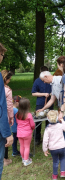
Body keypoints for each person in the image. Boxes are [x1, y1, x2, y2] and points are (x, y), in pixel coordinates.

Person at [0, 43, 13, 179]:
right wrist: (7, 132)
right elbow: (4, 106)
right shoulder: (6, 89)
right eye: (2, 55)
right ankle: (5, 159)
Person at [43, 110, 65, 179]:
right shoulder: (60, 126)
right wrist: (62, 120)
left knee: (55, 161)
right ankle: (63, 172)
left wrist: (45, 149)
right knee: (62, 158)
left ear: (48, 118)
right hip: (61, 147)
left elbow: (45, 140)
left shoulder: (47, 129)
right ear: (57, 118)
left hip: (53, 148)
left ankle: (55, 175)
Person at [32, 66, 53, 145]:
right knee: (38, 121)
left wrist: (51, 94)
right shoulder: (37, 81)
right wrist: (44, 94)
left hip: (50, 102)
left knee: (50, 121)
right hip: (40, 103)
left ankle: (49, 138)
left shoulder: (51, 81)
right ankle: (37, 138)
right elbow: (33, 93)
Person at [16, 98, 35, 166]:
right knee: (27, 147)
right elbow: (32, 124)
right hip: (27, 133)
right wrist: (33, 128)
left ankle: (23, 158)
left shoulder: (17, 114)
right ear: (27, 106)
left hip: (19, 133)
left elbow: (18, 122)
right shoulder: (29, 115)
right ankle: (26, 161)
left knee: (22, 146)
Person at [1, 70, 14, 166]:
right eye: (9, 79)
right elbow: (9, 106)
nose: (10, 81)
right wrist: (11, 117)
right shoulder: (7, 90)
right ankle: (4, 159)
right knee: (5, 138)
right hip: (3, 116)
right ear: (6, 79)